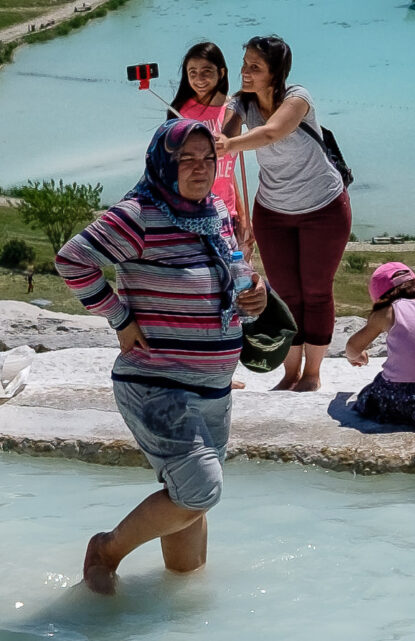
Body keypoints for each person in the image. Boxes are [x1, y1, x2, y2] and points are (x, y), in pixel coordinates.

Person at [55, 119, 268, 595]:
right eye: (185, 159)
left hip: (212, 388)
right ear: (163, 163)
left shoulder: (213, 212)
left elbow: (238, 274)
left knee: (188, 517)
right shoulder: (140, 214)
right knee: (200, 490)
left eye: (207, 158)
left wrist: (257, 293)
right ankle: (106, 550)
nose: (199, 168)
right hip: (159, 384)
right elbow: (72, 259)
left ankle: (179, 613)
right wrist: (119, 317)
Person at [216, 35, 351, 392]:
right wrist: (215, 138)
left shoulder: (298, 98)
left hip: (324, 206)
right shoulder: (241, 102)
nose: (245, 72)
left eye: (255, 67)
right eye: (244, 64)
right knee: (286, 291)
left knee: (316, 291)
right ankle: (290, 373)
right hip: (273, 210)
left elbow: (272, 132)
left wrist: (229, 145)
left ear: (276, 73)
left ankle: (312, 373)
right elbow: (224, 133)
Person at [345, 262, 415, 427]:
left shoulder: (388, 312)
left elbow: (352, 348)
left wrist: (358, 356)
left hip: (394, 401)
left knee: (369, 392)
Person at [170, 42, 252, 256]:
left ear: (221, 72)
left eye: (206, 72)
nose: (199, 79)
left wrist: (243, 217)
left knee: (236, 278)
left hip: (229, 213)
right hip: (193, 213)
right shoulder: (180, 113)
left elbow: (228, 168)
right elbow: (171, 167)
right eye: (192, 73)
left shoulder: (234, 109)